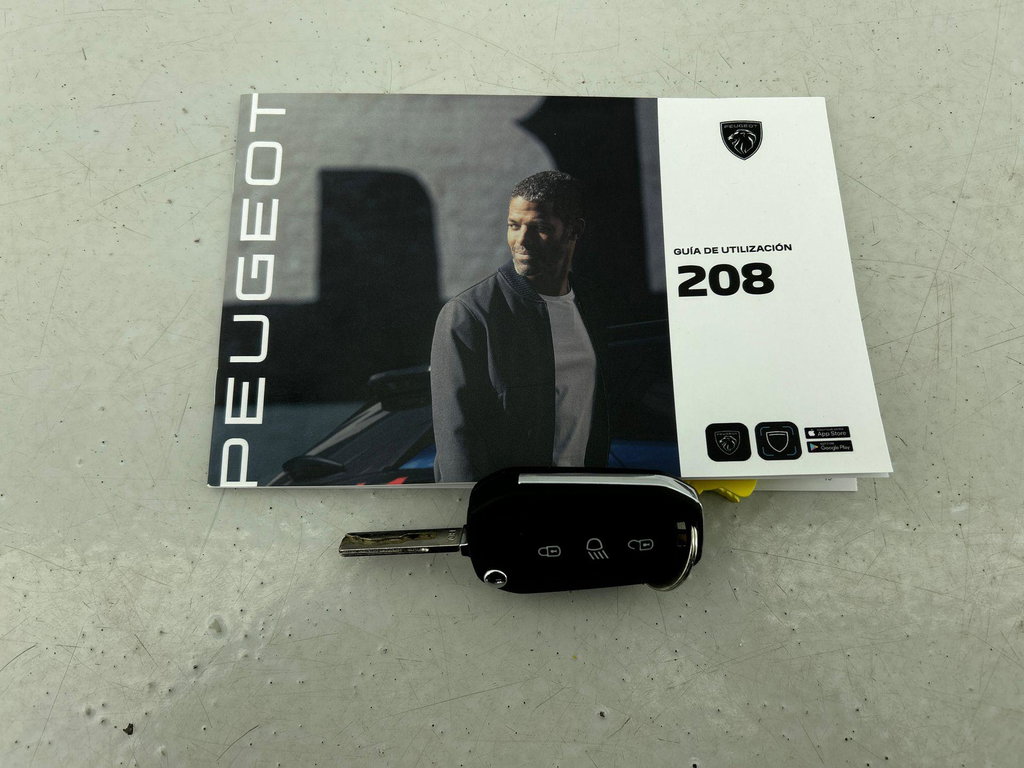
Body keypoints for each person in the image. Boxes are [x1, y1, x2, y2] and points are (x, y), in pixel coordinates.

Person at [430, 170, 609, 483]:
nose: (521, 241)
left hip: (584, 498)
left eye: (539, 228)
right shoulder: (470, 315)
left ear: (574, 230)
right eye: (513, 226)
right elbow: (457, 444)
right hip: (511, 506)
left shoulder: (592, 307)